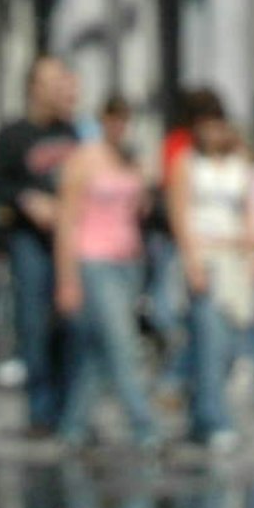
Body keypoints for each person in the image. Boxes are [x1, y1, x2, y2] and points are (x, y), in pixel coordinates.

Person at [52, 95, 160, 449]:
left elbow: (140, 211)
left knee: (99, 351)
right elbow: (66, 222)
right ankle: (145, 425)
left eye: (125, 120)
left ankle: (73, 426)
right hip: (93, 259)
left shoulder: (127, 159)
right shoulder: (83, 161)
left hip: (127, 260)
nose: (120, 127)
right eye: (114, 119)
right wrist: (67, 279)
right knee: (122, 342)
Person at [0, 57, 82, 433]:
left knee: (71, 325)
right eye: (53, 82)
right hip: (31, 242)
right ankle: (41, 409)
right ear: (34, 89)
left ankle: (69, 407)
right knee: (33, 324)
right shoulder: (13, 136)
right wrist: (25, 199)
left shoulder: (76, 134)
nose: (61, 89)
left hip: (71, 240)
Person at [167, 89, 254, 451]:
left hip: (235, 256)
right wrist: (191, 260)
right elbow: (180, 214)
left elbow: (250, 211)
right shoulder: (187, 162)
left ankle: (199, 406)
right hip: (204, 254)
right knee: (208, 340)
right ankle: (213, 419)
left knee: (231, 344)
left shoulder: (241, 163)